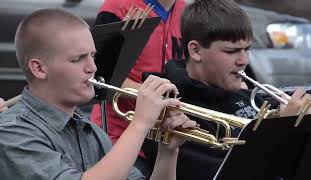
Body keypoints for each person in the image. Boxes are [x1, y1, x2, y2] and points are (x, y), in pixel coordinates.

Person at [0, 9, 196, 180]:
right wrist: (140, 123)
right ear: (39, 69)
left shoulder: (90, 131)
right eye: (77, 59)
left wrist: (168, 151)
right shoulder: (11, 132)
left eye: (92, 56)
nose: (93, 67)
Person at [142, 0, 311, 180]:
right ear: (196, 51)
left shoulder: (242, 94)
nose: (244, 60)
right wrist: (282, 128)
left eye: (247, 49)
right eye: (231, 51)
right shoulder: (172, 113)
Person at [90, 0, 186, 176]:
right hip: (119, 135)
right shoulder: (117, 6)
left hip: (167, 137)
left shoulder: (185, 9)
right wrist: (152, 95)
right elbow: (98, 77)